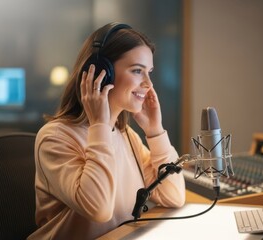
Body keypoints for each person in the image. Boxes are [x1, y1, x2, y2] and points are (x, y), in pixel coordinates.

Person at [27, 22, 186, 239]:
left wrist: (155, 132)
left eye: (149, 72)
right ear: (103, 74)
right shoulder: (56, 137)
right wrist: (100, 126)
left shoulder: (126, 135)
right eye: (138, 71)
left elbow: (174, 196)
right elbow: (98, 209)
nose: (149, 83)